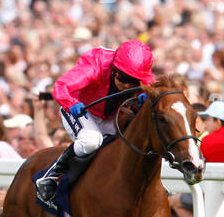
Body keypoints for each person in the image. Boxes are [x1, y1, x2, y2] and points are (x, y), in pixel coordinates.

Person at [34, 40, 154, 203]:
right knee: (91, 141)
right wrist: (72, 103)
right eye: (124, 78)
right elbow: (60, 87)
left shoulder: (141, 72)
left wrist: (147, 96)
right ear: (113, 70)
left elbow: (155, 89)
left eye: (134, 81)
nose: (127, 85)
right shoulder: (96, 63)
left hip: (110, 115)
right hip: (81, 110)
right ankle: (53, 175)